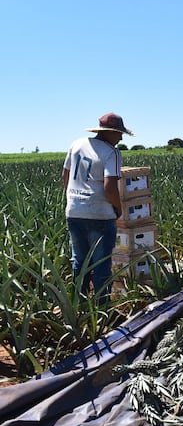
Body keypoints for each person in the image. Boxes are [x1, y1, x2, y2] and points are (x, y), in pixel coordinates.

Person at [62, 112, 133, 304]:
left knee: (80, 262)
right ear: (109, 132)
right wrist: (118, 209)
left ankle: (79, 306)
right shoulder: (112, 152)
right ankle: (101, 311)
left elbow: (65, 177)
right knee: (101, 264)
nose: (120, 138)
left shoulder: (76, 145)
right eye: (119, 134)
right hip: (100, 215)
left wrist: (73, 200)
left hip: (74, 212)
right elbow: (110, 187)